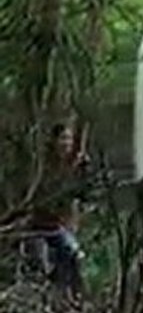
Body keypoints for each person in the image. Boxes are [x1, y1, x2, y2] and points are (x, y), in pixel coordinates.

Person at [28, 120, 91, 298]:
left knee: (69, 262)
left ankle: (73, 299)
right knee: (72, 255)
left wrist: (83, 172)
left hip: (63, 224)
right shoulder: (45, 165)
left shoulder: (72, 164)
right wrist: (72, 169)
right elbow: (53, 192)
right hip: (45, 225)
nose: (67, 143)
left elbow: (82, 194)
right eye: (63, 138)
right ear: (54, 141)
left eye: (69, 139)